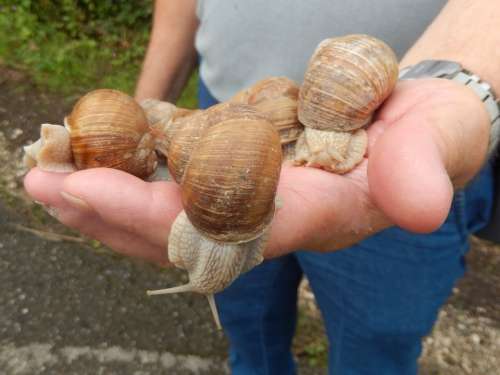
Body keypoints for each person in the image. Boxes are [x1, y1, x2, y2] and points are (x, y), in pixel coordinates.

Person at [24, 1, 500, 374]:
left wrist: (465, 79)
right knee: (248, 321)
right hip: (221, 113)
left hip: (388, 131)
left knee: (377, 340)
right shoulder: (195, 136)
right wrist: (145, 108)